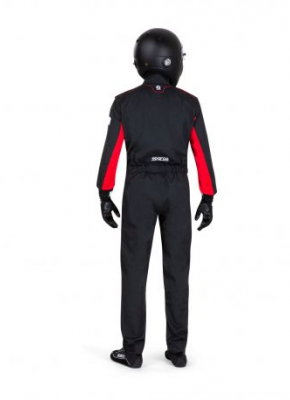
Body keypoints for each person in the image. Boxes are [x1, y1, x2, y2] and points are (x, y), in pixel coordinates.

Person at [97, 28, 217, 368]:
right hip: (177, 188)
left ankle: (133, 352)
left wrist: (104, 192)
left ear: (141, 60)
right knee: (178, 272)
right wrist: (207, 196)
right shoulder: (189, 103)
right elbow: (202, 153)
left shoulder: (124, 102)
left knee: (134, 271)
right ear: (174, 60)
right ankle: (177, 352)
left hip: (139, 188)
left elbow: (112, 151)